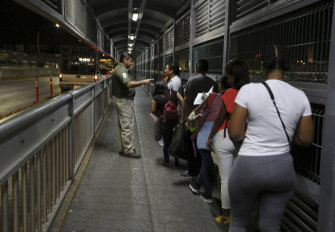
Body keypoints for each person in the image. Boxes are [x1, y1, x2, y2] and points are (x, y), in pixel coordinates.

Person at [228, 45, 314, 231]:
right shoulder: (300, 96)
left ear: (262, 66)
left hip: (249, 166)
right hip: (282, 169)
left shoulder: (248, 91)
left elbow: (234, 132)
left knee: (238, 222)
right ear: (286, 65)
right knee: (270, 226)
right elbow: (306, 139)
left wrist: (248, 135)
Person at [206, 61, 250, 229]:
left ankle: (226, 217)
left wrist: (210, 137)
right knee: (239, 180)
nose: (227, 78)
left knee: (226, 180)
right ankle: (241, 215)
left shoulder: (230, 92)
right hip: (243, 140)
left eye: (229, 75)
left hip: (225, 137)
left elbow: (219, 117)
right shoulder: (250, 91)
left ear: (234, 76)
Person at [180, 58, 219, 178]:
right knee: (202, 146)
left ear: (196, 68)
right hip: (207, 119)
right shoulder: (213, 83)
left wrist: (182, 118)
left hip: (193, 118)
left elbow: (186, 100)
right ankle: (202, 171)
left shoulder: (192, 80)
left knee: (190, 144)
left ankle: (192, 171)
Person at [112, 52, 153, 158]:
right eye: (130, 61)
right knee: (127, 125)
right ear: (125, 60)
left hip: (121, 99)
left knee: (122, 125)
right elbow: (128, 84)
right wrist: (143, 82)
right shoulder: (121, 70)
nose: (132, 63)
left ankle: (124, 148)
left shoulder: (121, 69)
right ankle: (128, 150)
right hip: (124, 101)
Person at [188, 90, 222, 203]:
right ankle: (205, 191)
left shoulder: (212, 97)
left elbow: (198, 111)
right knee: (207, 163)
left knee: (206, 163)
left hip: (205, 133)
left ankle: (199, 187)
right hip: (217, 134)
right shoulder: (232, 98)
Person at [151, 81, 184, 166]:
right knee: (175, 139)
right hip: (175, 120)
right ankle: (176, 159)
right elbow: (182, 100)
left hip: (164, 121)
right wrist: (182, 115)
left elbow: (153, 110)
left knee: (166, 141)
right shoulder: (173, 92)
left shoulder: (156, 97)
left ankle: (166, 161)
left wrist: (159, 115)